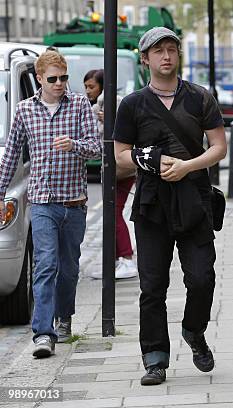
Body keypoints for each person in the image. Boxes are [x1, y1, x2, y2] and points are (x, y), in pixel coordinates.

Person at [114, 27, 227, 386]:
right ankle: (155, 358)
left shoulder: (199, 98)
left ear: (178, 55)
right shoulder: (132, 104)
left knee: (202, 278)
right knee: (153, 286)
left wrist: (187, 166)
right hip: (152, 203)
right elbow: (118, 157)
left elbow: (219, 147)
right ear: (144, 59)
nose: (166, 56)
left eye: (172, 49)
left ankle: (194, 331)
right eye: (158, 51)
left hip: (194, 197)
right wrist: (150, 161)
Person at [0, 49, 101, 356]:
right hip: (42, 203)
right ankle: (43, 333)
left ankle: (64, 317)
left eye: (64, 78)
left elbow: (96, 147)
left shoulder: (80, 104)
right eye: (53, 79)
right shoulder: (24, 110)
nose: (60, 84)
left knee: (69, 269)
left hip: (74, 203)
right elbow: (11, 154)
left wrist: (74, 145)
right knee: (45, 266)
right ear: (40, 79)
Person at [85, 69, 138, 279]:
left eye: (91, 86)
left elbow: (124, 131)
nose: (88, 90)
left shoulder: (110, 101)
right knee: (111, 213)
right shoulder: (103, 103)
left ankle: (126, 258)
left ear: (102, 85)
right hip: (115, 167)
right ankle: (115, 260)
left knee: (114, 213)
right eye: (86, 86)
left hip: (121, 168)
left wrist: (108, 120)